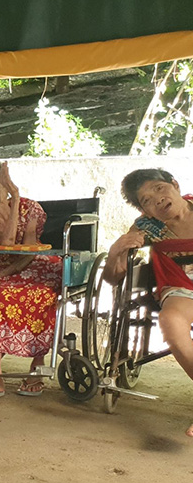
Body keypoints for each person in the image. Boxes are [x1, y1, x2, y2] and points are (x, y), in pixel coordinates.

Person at [0, 161, 60, 400]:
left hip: (32, 265)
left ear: (5, 184)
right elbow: (6, 245)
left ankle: (37, 368)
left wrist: (15, 198)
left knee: (41, 293)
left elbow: (24, 252)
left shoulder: (31, 208)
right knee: (0, 293)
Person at [105, 169, 193, 435]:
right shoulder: (146, 227)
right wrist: (115, 251)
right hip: (180, 289)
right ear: (146, 212)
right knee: (170, 320)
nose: (157, 199)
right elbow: (112, 277)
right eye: (146, 200)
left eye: (159, 188)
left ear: (175, 185)